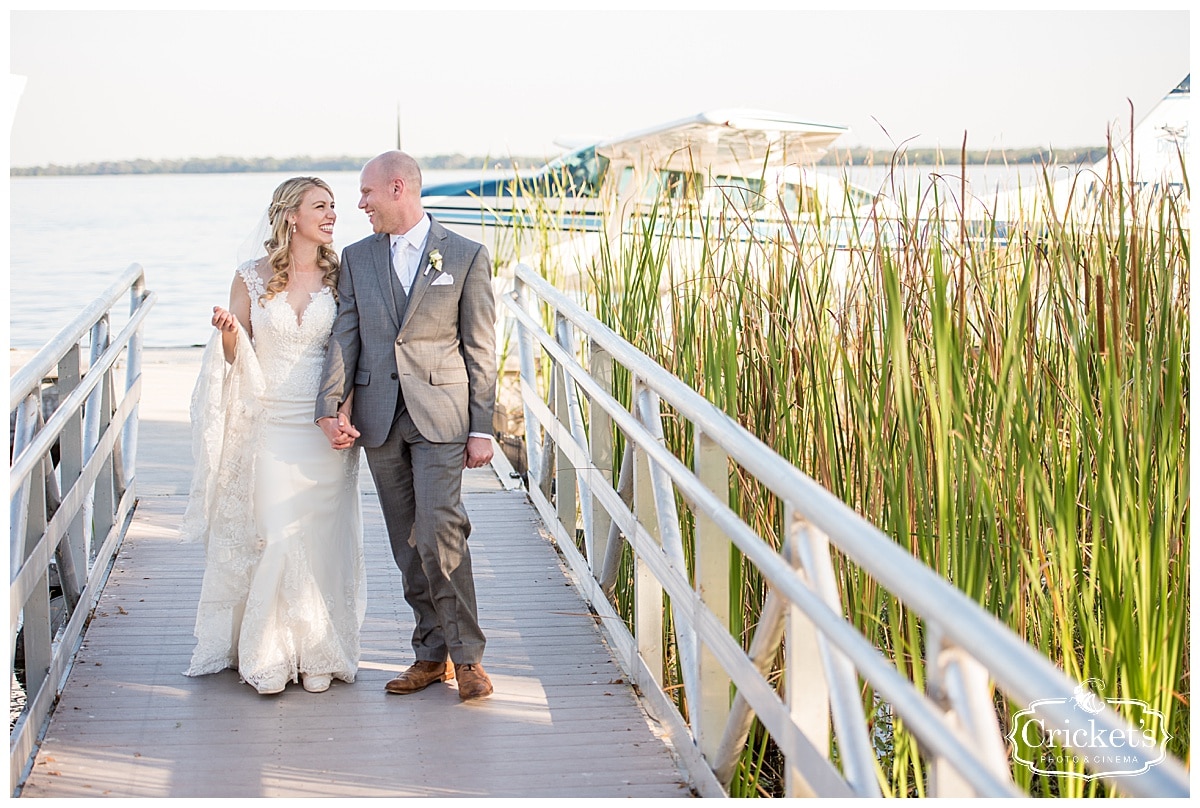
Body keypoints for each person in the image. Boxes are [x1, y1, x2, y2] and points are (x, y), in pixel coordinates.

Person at [316, 151, 497, 701]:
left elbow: (481, 345)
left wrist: (483, 427)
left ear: (398, 188)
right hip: (380, 416)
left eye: (367, 193)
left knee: (441, 530)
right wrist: (330, 406)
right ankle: (429, 653)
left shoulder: (464, 256)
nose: (360, 204)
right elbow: (345, 337)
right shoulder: (356, 258)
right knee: (407, 542)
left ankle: (467, 658)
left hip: (442, 415)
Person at [182, 176, 366, 696]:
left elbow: (351, 350)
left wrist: (344, 410)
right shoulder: (249, 277)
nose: (332, 215)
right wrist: (229, 334)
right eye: (321, 207)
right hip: (270, 424)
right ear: (291, 216)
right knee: (279, 536)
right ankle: (268, 653)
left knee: (323, 540)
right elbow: (236, 359)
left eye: (333, 207)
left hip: (324, 425)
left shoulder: (342, 274)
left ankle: (319, 653)